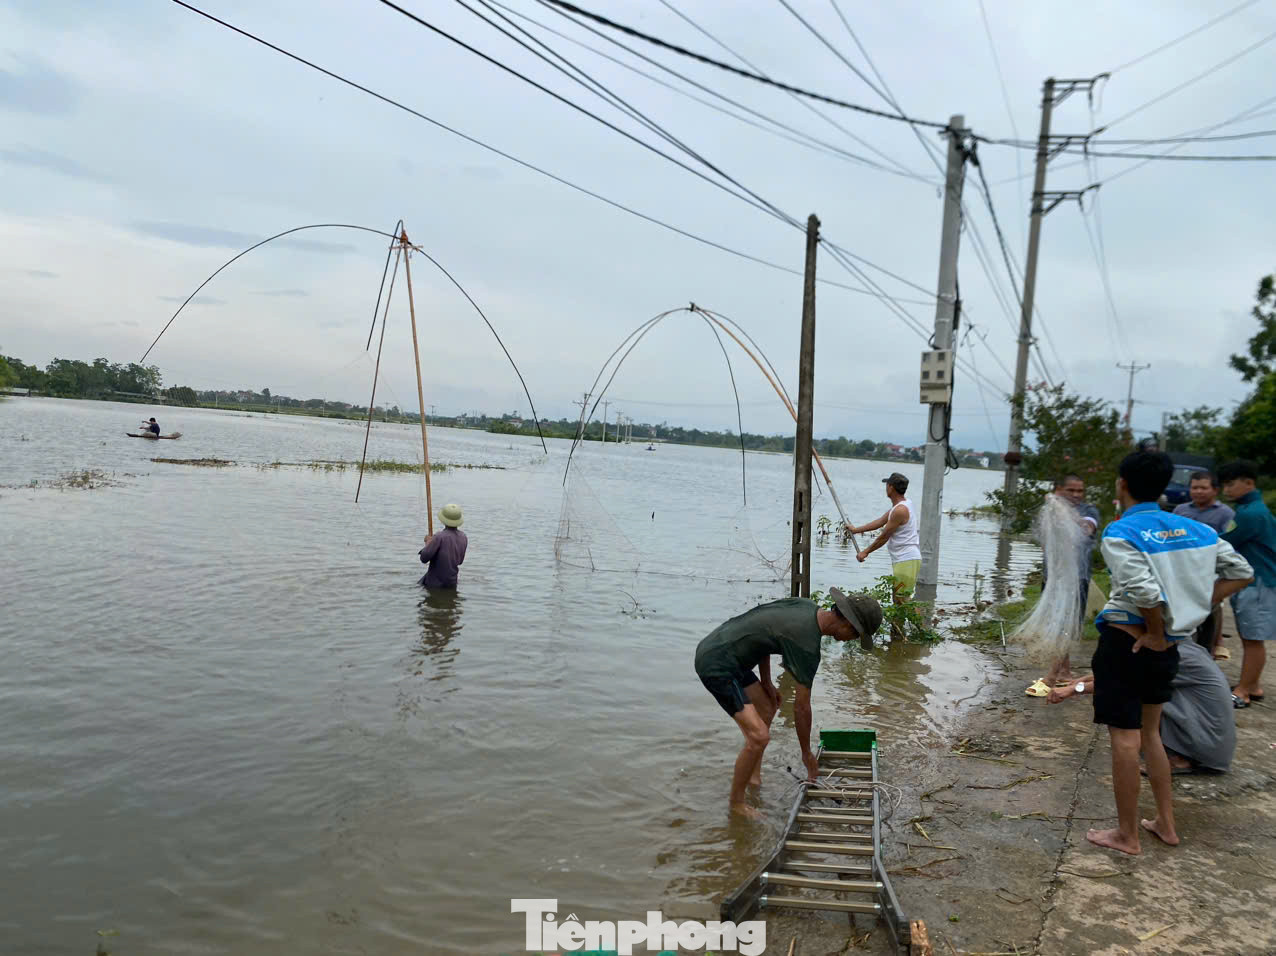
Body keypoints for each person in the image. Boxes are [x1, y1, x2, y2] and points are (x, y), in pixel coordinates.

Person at [1085, 451, 1251, 855]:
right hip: (1170, 648)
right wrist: (1193, 607)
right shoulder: (1196, 529)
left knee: (1125, 741)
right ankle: (1165, 823)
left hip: (1129, 643)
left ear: (1122, 484)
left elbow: (1143, 591)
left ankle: (1127, 835)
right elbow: (1241, 572)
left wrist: (1157, 631)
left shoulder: (1121, 531)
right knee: (1151, 735)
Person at [694, 588, 882, 817]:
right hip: (716, 662)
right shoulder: (806, 645)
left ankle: (753, 777)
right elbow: (801, 707)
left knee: (767, 706)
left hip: (724, 648)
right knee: (759, 736)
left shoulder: (805, 606)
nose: (852, 640)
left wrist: (767, 682)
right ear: (849, 625)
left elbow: (764, 631)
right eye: (856, 636)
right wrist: (807, 754)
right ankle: (736, 803)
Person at [1048, 639, 1236, 775]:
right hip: (1212, 741)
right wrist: (1086, 679)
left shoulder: (1176, 655)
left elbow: (1125, 680)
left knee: (1141, 695)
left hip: (1206, 746)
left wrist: (1075, 689)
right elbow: (1128, 670)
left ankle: (1180, 759)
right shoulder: (1183, 645)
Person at [1218, 459, 1276, 707]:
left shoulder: (1251, 514)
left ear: (1249, 483)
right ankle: (1252, 685)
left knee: (1253, 639)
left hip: (1259, 582)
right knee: (1249, 637)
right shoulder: (1252, 509)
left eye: (1231, 484)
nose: (1226, 490)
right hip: (1255, 581)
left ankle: (1243, 692)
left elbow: (1226, 541)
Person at [1041, 475, 1100, 686]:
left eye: (1080, 491)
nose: (1076, 495)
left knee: (1066, 624)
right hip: (1052, 577)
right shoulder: (1050, 511)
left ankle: (1052, 676)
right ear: (1059, 490)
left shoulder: (1089, 511)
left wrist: (1062, 510)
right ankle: (1064, 672)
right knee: (1055, 622)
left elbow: (1087, 528)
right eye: (1071, 490)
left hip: (1077, 579)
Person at [1174, 472, 1235, 658]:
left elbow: (1230, 539)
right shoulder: (1180, 510)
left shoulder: (1226, 513)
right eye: (1194, 487)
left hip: (1211, 570)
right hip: (1184, 569)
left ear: (1215, 490)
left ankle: (1213, 647)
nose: (1198, 491)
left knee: (1212, 607)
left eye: (1203, 488)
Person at [845, 473, 920, 603]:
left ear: (891, 487)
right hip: (904, 559)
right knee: (899, 599)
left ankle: (921, 617)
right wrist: (856, 530)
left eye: (887, 485)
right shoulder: (902, 505)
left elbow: (884, 537)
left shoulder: (900, 510)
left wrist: (865, 552)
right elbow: (880, 522)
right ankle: (911, 617)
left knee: (902, 600)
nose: (885, 488)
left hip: (906, 559)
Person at [418, 503, 468, 590]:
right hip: (452, 582)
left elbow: (424, 558)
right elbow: (460, 561)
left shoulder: (439, 537)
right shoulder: (463, 537)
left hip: (435, 583)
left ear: (443, 520)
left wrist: (428, 543)